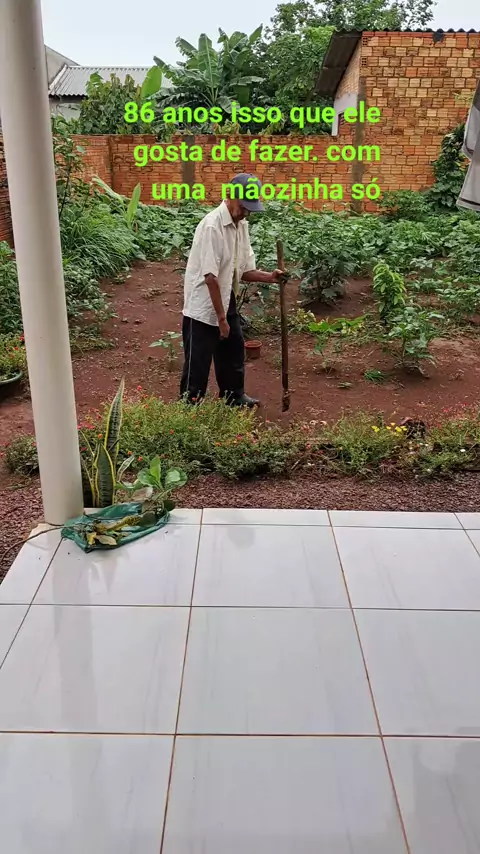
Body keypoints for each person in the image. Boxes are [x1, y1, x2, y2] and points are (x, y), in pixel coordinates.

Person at [180, 173, 284, 407]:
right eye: (243, 206)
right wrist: (221, 319)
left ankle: (233, 396)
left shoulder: (241, 225)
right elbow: (210, 278)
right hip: (203, 306)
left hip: (225, 297)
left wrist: (270, 277)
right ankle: (189, 406)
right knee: (197, 362)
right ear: (229, 195)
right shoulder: (212, 226)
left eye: (250, 208)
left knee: (233, 350)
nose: (246, 212)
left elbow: (244, 270)